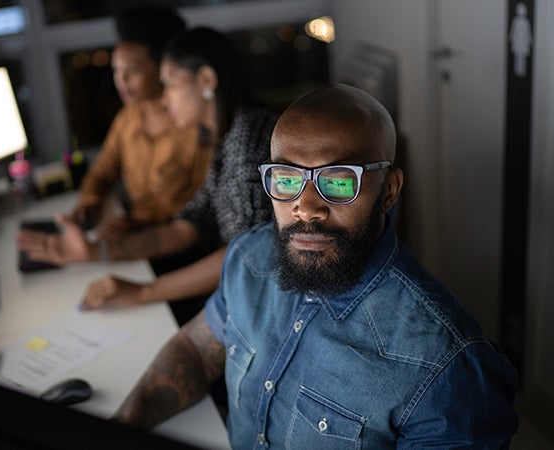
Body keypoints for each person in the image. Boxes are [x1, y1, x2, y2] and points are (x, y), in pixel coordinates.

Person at [112, 83, 519, 448]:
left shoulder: (446, 363)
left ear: (390, 190)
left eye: (339, 182)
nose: (305, 207)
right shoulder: (249, 258)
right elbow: (197, 350)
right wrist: (120, 424)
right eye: (286, 180)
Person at [16, 27, 279, 324]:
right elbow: (190, 226)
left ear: (206, 79)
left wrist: (143, 292)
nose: (165, 101)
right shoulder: (224, 138)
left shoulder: (250, 141)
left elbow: (246, 259)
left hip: (261, 309)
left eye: (169, 85)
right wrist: (95, 250)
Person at [69, 6, 212, 239]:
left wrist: (140, 223)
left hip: (173, 242)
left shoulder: (193, 125)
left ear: (162, 69)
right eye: (116, 70)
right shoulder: (129, 116)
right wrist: (91, 201)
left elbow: (202, 212)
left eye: (132, 70)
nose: (121, 80)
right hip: (131, 232)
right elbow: (101, 172)